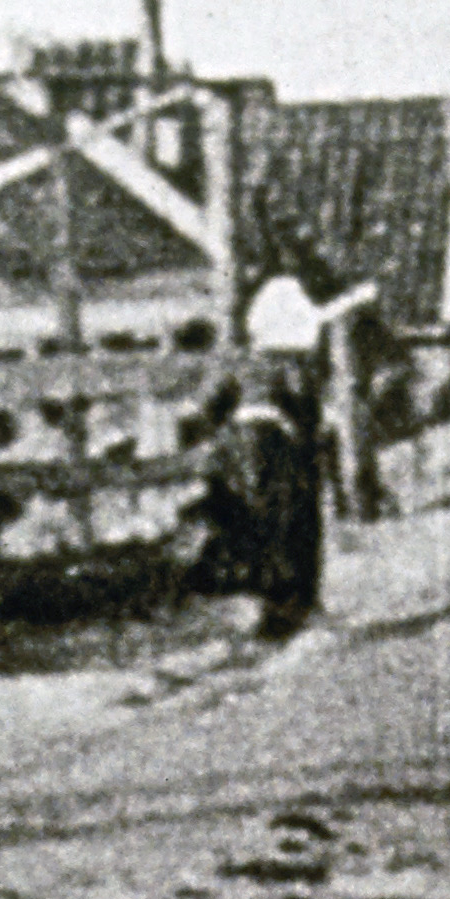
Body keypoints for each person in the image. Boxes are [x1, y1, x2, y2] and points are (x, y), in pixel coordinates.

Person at [186, 274, 330, 640]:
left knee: (252, 523)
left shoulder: (237, 361)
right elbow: (306, 413)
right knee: (293, 522)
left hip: (239, 448)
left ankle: (266, 602)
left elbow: (206, 407)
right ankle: (293, 603)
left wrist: (214, 438)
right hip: (278, 448)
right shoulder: (294, 369)